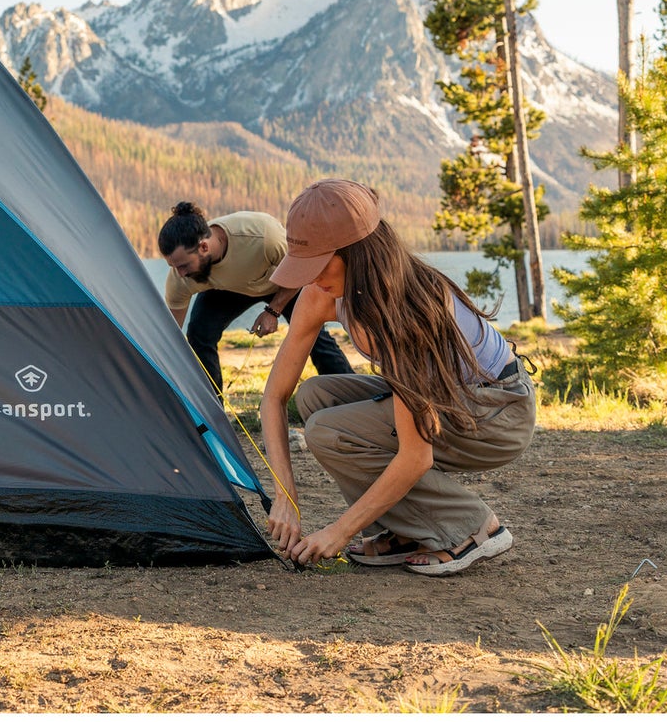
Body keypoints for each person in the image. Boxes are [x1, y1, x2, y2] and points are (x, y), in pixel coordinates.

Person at [259, 179, 533, 576]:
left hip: (498, 412)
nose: (310, 278)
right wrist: (285, 496)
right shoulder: (321, 294)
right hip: (457, 398)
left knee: (327, 430)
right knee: (315, 396)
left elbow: (415, 456)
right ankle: (406, 531)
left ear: (358, 254)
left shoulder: (401, 311)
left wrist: (339, 532)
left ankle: (471, 528)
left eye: (318, 265)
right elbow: (274, 396)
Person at [157, 201, 353, 398]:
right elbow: (170, 333)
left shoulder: (264, 238)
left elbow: (298, 270)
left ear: (204, 247)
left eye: (183, 266)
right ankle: (211, 409)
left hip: (281, 280)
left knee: (312, 334)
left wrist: (273, 310)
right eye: (174, 267)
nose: (180, 274)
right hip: (227, 288)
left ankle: (350, 394)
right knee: (199, 334)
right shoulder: (181, 278)